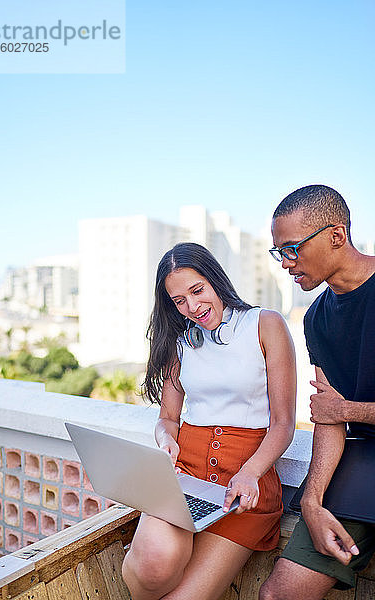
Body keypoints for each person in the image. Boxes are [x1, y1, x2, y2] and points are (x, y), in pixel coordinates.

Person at [122, 242, 296, 600]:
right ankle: (139, 561)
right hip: (185, 477)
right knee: (153, 563)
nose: (193, 307)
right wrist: (165, 440)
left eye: (197, 290)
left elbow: (283, 424)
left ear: (216, 280)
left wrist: (250, 472)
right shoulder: (178, 341)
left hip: (243, 489)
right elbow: (168, 418)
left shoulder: (265, 325)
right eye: (179, 301)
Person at [260, 185, 375, 600]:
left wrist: (345, 408)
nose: (287, 264)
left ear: (336, 236)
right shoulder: (316, 318)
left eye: (293, 249)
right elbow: (329, 419)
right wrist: (311, 501)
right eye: (280, 253)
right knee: (278, 595)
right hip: (362, 464)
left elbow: (336, 409)